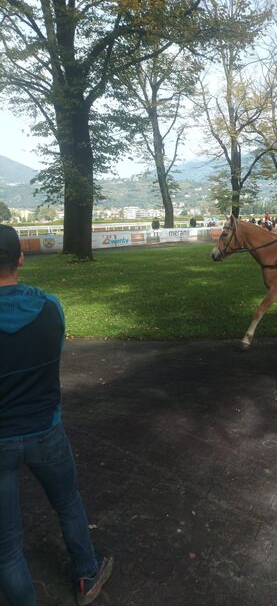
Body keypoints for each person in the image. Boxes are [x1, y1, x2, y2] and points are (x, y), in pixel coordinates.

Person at [0, 225, 113, 606]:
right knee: (68, 504)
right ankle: (86, 575)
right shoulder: (51, 307)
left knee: (7, 547)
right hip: (45, 431)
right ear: (20, 257)